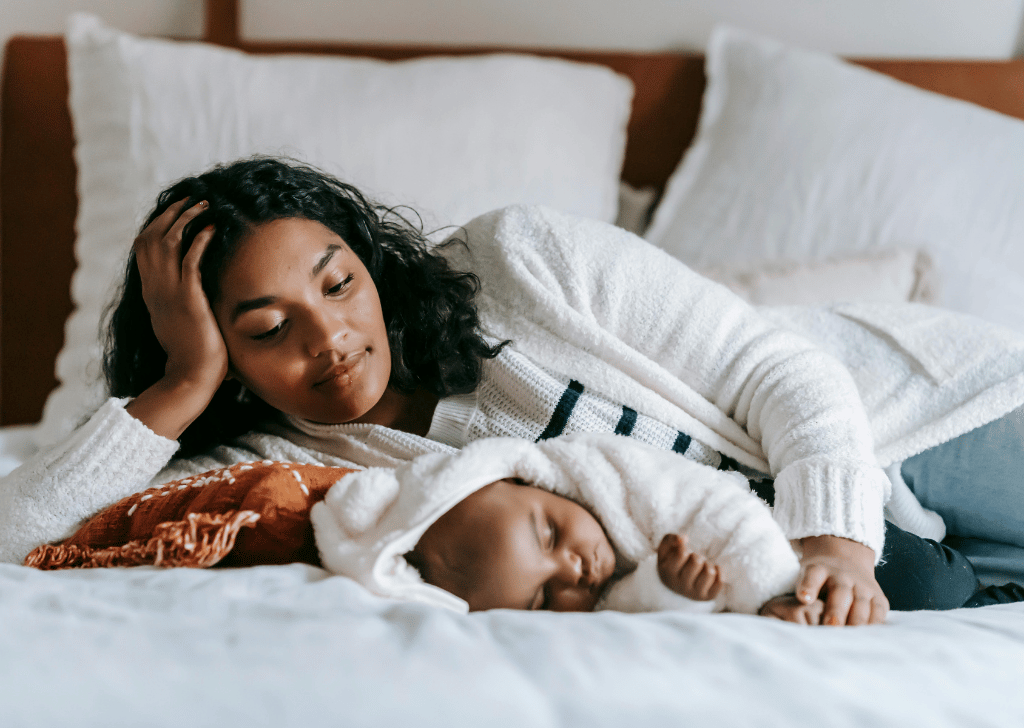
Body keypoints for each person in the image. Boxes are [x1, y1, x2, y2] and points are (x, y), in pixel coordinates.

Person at [3, 156, 1024, 627]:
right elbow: (21, 540)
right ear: (219, 348)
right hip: (897, 554)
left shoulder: (518, 260)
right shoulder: (278, 466)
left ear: (368, 258)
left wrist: (835, 537)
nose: (332, 340)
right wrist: (181, 385)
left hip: (908, 412)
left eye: (337, 283)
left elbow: (779, 371)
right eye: (266, 329)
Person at [308, 432, 1014, 620]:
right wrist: (672, 590)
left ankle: (970, 565)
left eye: (551, 536)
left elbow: (724, 515)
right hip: (755, 567)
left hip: (781, 512)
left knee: (925, 578)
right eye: (543, 599)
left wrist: (775, 592)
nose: (575, 574)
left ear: (528, 481)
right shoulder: (580, 590)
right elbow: (626, 606)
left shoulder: (611, 473)